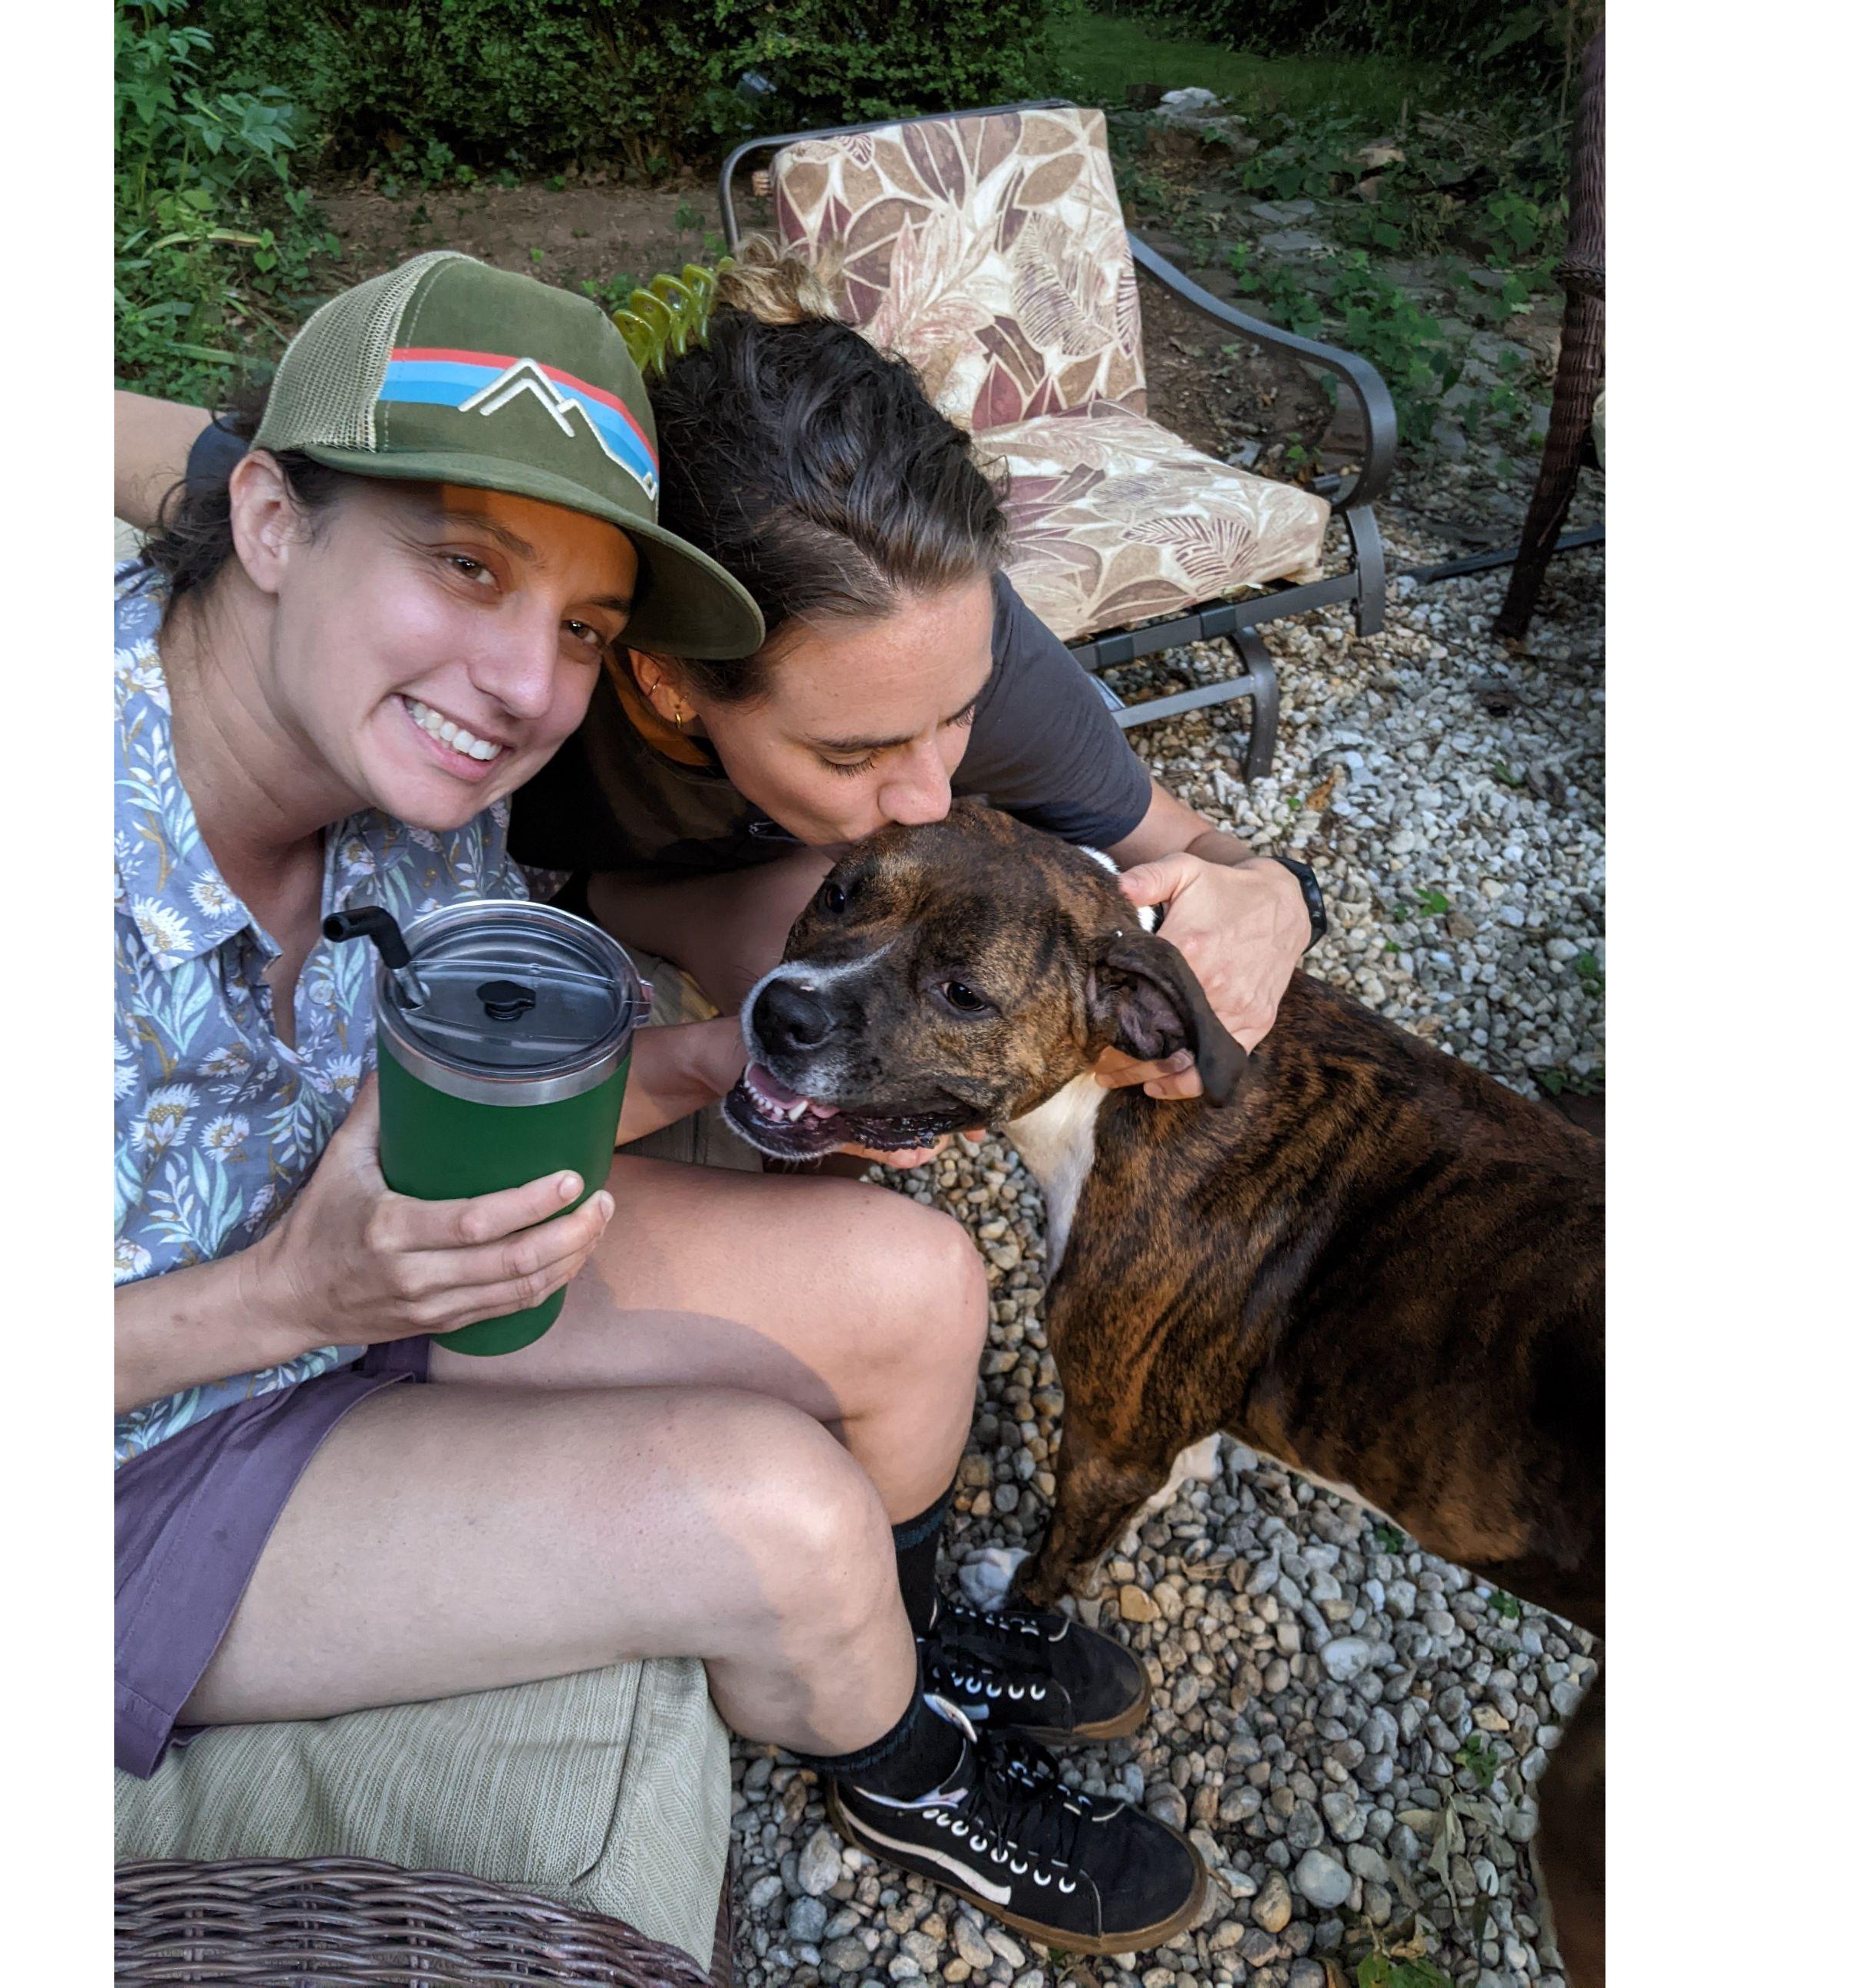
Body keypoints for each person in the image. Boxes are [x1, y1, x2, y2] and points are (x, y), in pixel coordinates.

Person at [115, 249, 1207, 1953]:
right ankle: (901, 1766)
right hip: (142, 1454)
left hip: (373, 1260)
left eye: (581, 626)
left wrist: (708, 1062)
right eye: (464, 565)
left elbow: (440, 1097)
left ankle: (914, 1648)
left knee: (920, 1284)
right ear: (266, 520)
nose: (524, 686)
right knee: (787, 1517)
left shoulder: (413, 781)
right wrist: (282, 1300)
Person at [117, 244, 1319, 1116]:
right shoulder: (529, 603)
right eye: (850, 752)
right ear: (667, 677)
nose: (928, 796)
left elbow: (1195, 848)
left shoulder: (945, 657)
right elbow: (236, 473)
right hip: (525, 890)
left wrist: (1276, 896)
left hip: (629, 892)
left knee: (836, 937)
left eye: (954, 720)